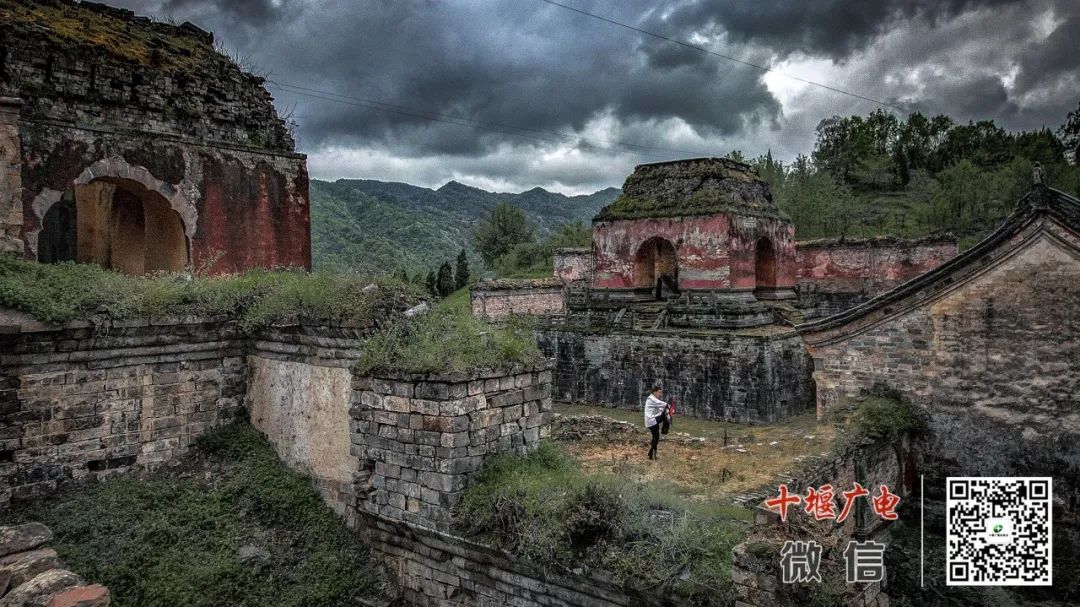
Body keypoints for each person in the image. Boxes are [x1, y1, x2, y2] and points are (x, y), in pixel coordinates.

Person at [644, 385, 668, 460]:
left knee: (655, 438)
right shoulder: (652, 399)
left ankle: (651, 454)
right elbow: (665, 405)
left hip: (653, 420)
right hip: (652, 421)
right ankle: (665, 429)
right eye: (659, 392)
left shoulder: (653, 399)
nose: (660, 394)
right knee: (655, 438)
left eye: (661, 393)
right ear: (654, 392)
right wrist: (671, 406)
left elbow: (662, 407)